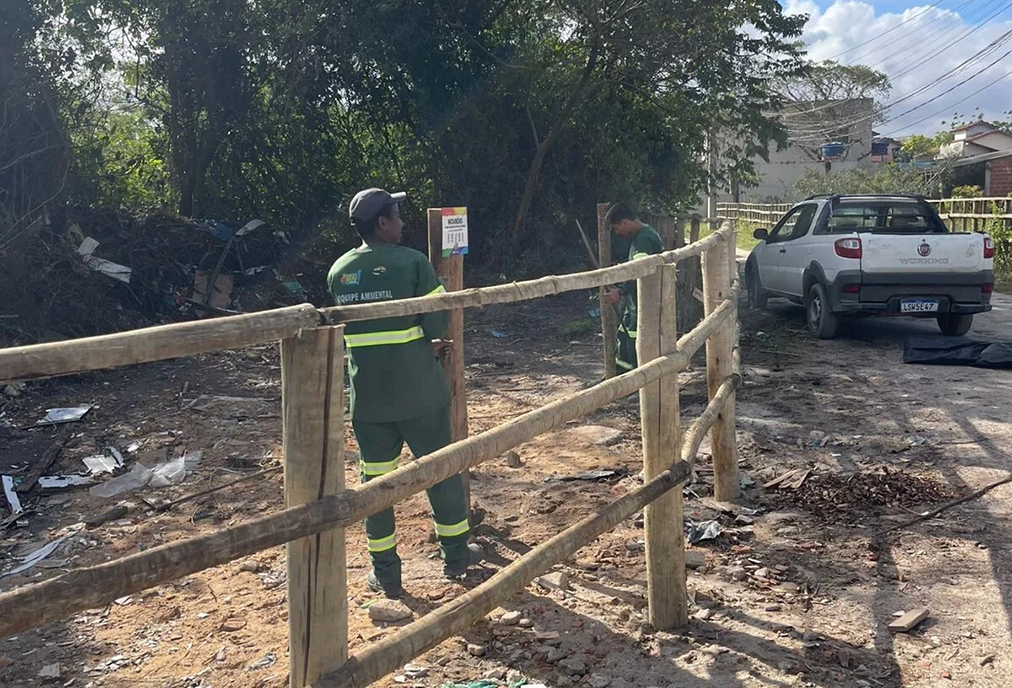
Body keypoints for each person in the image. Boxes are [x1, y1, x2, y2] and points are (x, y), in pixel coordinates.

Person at [327, 188, 483, 599]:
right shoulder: (413, 262)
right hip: (421, 395)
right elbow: (437, 325)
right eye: (396, 216)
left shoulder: (338, 271)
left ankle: (386, 574)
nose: (402, 223)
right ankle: (455, 555)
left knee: (375, 486)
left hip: (369, 402)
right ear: (382, 223)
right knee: (441, 471)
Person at [602, 203, 664, 371]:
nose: (617, 232)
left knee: (632, 342)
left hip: (640, 304)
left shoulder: (641, 241)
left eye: (617, 228)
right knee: (625, 337)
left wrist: (620, 291)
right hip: (639, 303)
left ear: (624, 222)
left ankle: (633, 379)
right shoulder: (649, 234)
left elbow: (639, 270)